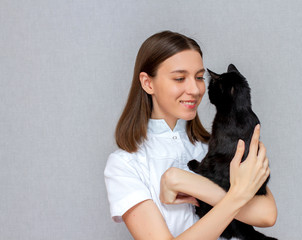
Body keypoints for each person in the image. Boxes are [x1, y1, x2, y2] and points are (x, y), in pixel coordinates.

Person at [104, 30, 277, 240]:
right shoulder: (125, 165)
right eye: (179, 78)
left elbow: (267, 214)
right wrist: (236, 196)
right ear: (148, 83)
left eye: (199, 77)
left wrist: (187, 182)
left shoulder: (213, 147)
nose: (195, 89)